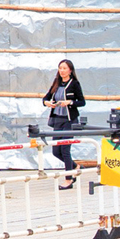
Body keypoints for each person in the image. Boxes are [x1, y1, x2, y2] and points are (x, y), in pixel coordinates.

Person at [43, 59, 86, 190]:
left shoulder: (74, 84)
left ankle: (68, 179)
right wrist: (47, 103)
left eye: (64, 68)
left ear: (70, 70)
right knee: (56, 151)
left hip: (69, 120)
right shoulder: (56, 83)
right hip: (57, 119)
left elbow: (82, 102)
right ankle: (74, 166)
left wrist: (70, 102)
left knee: (65, 149)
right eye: (60, 68)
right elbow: (46, 98)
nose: (62, 70)